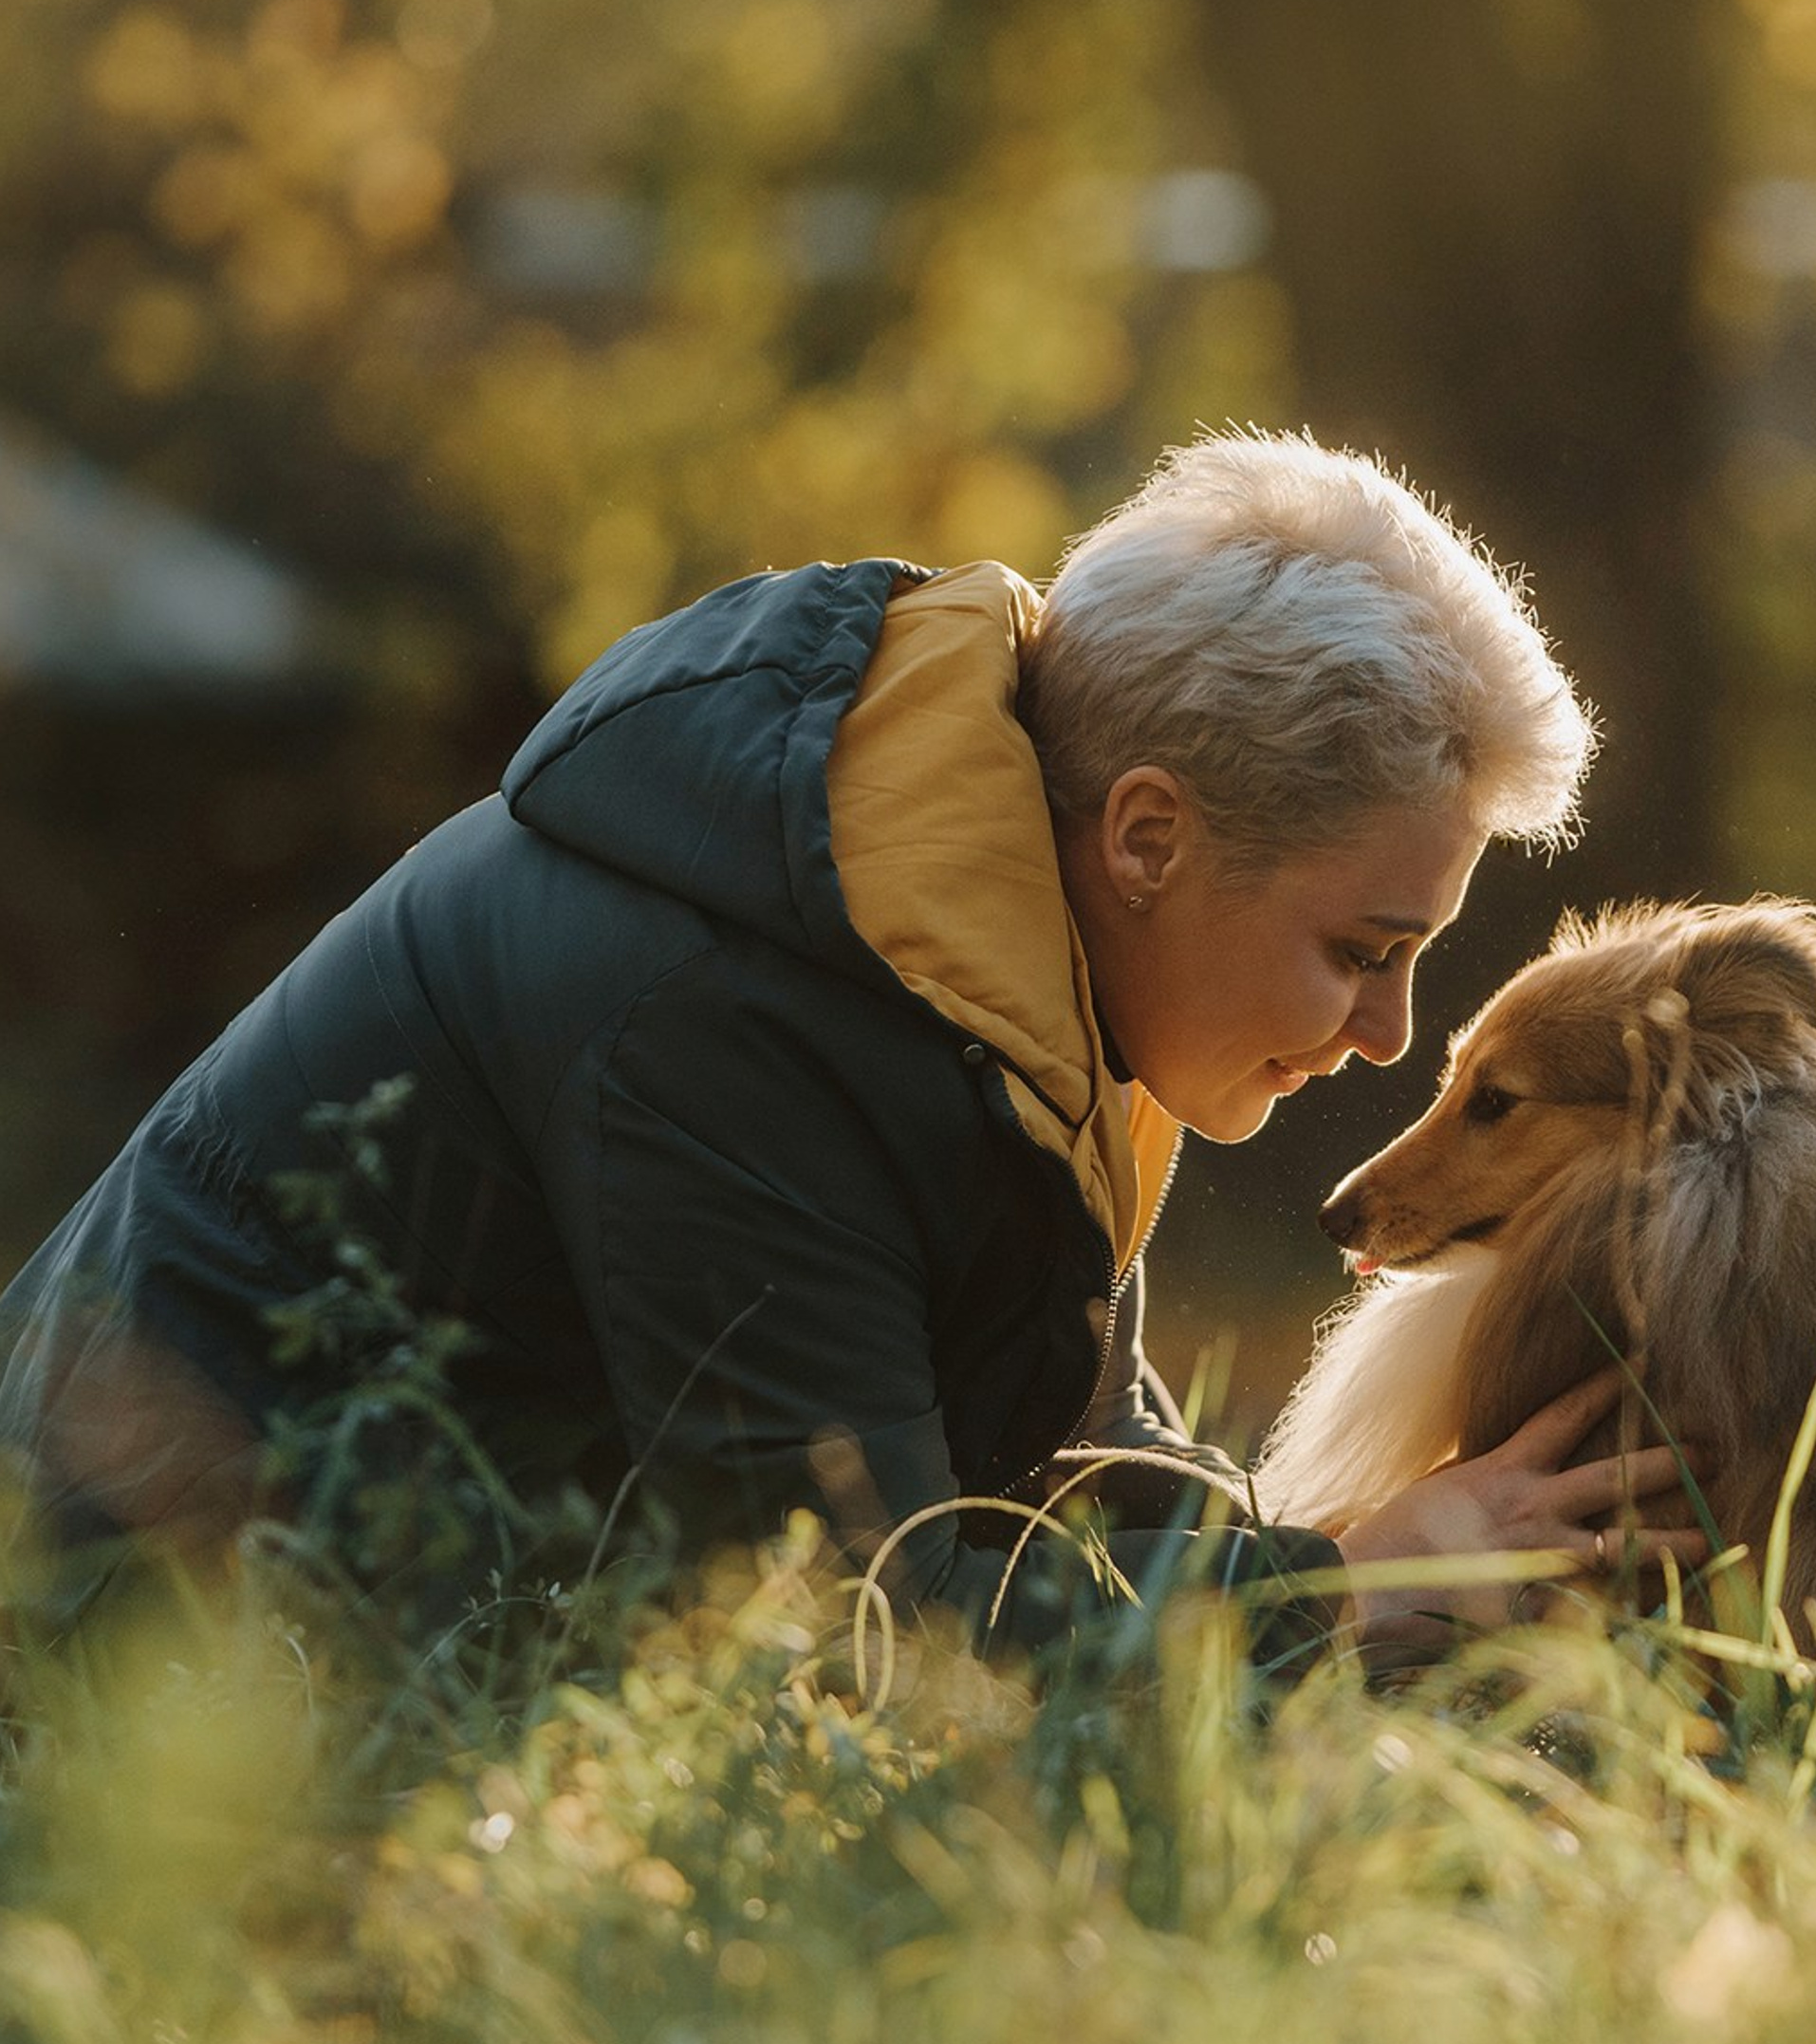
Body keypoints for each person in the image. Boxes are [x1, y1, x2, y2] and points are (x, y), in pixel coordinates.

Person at [0, 431, 1704, 1658]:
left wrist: (1353, 1563)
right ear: (1150, 837)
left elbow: (1056, 1476)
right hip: (117, 1711)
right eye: (1363, 951)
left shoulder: (970, 958)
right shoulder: (734, 1011)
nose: (1387, 1036)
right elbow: (854, 1638)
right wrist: (1333, 1591)